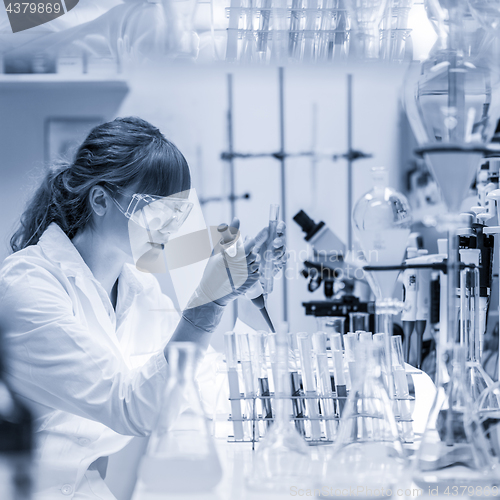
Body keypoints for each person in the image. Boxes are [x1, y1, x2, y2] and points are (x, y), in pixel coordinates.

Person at [0, 117, 286, 499]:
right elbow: (129, 406)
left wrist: (248, 297)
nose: (169, 227)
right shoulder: (27, 285)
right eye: (155, 210)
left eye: (177, 213)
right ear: (100, 199)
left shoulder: (139, 288)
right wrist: (206, 305)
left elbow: (205, 389)